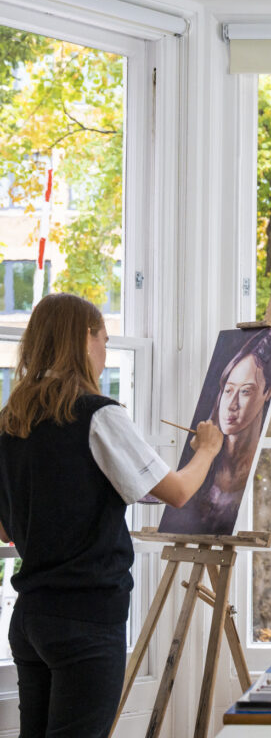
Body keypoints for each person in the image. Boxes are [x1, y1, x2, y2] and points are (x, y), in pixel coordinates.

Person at [0, 293, 223, 738]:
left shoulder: (11, 420)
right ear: (84, 340)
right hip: (86, 617)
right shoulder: (97, 414)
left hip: (31, 618)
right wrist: (209, 451)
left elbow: (6, 529)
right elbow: (177, 492)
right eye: (104, 339)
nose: (104, 352)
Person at [160, 326, 271, 535]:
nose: (232, 404)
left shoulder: (255, 473)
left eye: (245, 392)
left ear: (268, 393)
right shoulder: (202, 460)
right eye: (228, 390)